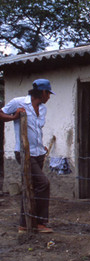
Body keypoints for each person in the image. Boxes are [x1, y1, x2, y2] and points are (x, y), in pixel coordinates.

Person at [0, 79, 55, 233]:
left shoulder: (43, 109)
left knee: (31, 186)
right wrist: (13, 117)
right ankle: (40, 223)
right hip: (24, 152)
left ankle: (25, 224)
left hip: (38, 152)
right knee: (44, 183)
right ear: (43, 93)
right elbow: (1, 113)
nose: (49, 97)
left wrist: (41, 145)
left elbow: (37, 130)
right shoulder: (19, 102)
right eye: (49, 94)